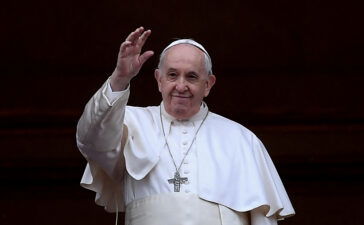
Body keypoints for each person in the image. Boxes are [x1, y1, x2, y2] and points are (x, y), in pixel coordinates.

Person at [76, 27, 295, 225]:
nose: (181, 86)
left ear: (208, 84)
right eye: (172, 75)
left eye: (191, 77)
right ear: (159, 79)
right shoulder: (129, 122)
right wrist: (120, 78)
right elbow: (90, 139)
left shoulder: (241, 139)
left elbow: (262, 220)